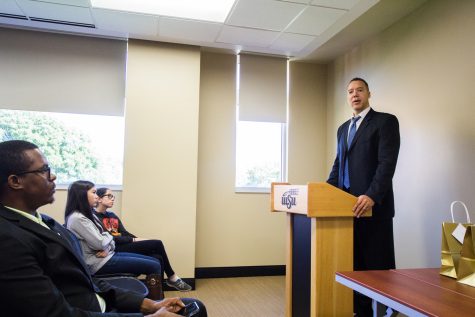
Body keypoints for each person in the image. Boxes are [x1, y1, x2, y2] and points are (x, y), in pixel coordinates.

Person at [0, 140, 207, 316]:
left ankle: (164, 289)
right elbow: (55, 312)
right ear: (15, 181)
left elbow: (90, 280)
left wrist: (151, 305)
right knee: (192, 306)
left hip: (100, 296)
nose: (53, 176)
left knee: (193, 306)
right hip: (92, 308)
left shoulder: (45, 221)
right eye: (44, 171)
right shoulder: (9, 239)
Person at [327, 78, 400, 317]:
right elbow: (339, 165)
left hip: (373, 208)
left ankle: (388, 311)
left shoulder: (385, 122)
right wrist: (325, 192)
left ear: (369, 93)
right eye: (350, 91)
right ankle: (361, 313)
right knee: (355, 268)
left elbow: (386, 164)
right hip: (346, 210)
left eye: (359, 90)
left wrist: (371, 195)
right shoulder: (342, 129)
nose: (354, 95)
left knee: (378, 268)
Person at [65, 180, 168, 299]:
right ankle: (156, 307)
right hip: (98, 263)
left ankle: (158, 302)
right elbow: (100, 242)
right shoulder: (77, 218)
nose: (96, 196)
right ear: (82, 194)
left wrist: (107, 244)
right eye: (93, 192)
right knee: (153, 266)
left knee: (156, 261)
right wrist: (109, 237)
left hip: (107, 255)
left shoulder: (89, 215)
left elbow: (106, 240)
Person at [95, 187, 192, 292]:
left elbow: (124, 233)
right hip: (114, 248)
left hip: (124, 244)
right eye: (109, 196)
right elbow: (110, 238)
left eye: (113, 196)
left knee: (158, 257)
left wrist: (140, 240)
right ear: (99, 199)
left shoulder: (112, 215)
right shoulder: (95, 217)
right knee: (157, 243)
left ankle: (158, 295)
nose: (112, 199)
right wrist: (133, 241)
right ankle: (172, 277)